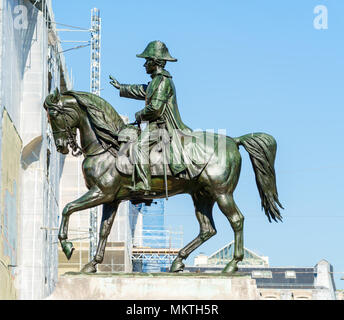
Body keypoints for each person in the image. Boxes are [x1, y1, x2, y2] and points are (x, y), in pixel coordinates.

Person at [110, 40, 192, 193]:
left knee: (139, 146)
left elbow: (155, 108)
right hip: (156, 125)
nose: (144, 65)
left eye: (147, 61)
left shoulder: (162, 82)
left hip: (163, 126)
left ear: (155, 62)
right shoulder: (156, 81)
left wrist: (139, 114)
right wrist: (121, 87)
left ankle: (144, 183)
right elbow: (142, 90)